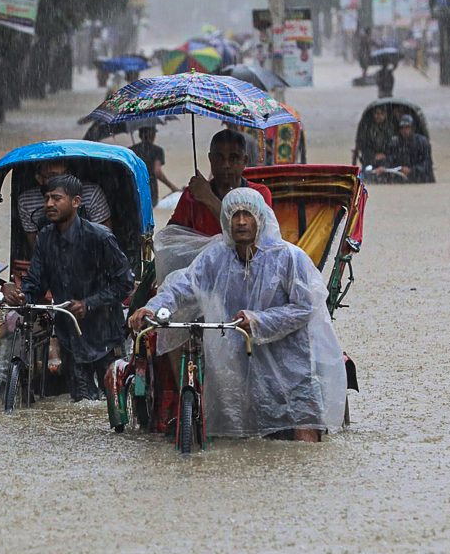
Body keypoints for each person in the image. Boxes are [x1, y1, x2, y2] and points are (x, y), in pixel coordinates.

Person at [129, 188, 346, 440]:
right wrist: (153, 307)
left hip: (289, 369)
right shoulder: (215, 257)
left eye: (247, 214)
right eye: (234, 215)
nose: (241, 221)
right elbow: (183, 285)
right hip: (238, 368)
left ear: (260, 218)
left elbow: (307, 306)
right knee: (234, 440)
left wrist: (259, 320)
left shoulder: (289, 257)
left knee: (304, 439)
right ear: (226, 221)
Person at [3, 175, 134, 401]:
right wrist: (21, 296)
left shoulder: (100, 238)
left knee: (113, 403)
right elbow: (36, 281)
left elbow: (125, 283)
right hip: (70, 338)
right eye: (46, 199)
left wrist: (89, 304)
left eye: (56, 198)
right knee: (81, 404)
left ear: (76, 202)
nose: (49, 204)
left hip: (104, 337)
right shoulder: (45, 238)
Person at [168, 129, 272, 236]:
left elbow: (255, 238)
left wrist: (209, 198)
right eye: (219, 158)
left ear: (244, 161)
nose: (225, 165)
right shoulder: (193, 195)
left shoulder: (258, 194)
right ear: (211, 159)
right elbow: (171, 238)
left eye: (233, 158)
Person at [16, 159, 111, 248]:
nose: (61, 182)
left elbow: (106, 240)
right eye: (53, 176)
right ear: (39, 179)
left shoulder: (91, 193)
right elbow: (35, 245)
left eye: (65, 174)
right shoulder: (26, 201)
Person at [377, 114, 434, 183]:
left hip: (420, 177)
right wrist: (384, 167)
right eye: (402, 128)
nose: (404, 130)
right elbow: (391, 158)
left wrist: (412, 170)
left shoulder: (422, 142)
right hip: (401, 175)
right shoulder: (395, 142)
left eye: (407, 127)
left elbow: (427, 163)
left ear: (412, 128)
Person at [129, 126, 179, 204]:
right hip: (150, 188)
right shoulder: (157, 150)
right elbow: (157, 171)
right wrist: (172, 187)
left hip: (133, 187)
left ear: (140, 135)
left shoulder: (130, 151)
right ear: (153, 135)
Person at [355, 105, 395, 170]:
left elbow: (393, 145)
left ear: (385, 115)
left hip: (386, 158)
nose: (379, 116)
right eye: (377, 113)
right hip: (370, 157)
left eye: (382, 114)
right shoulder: (367, 128)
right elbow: (364, 144)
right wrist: (373, 155)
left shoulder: (390, 128)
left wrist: (384, 155)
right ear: (374, 114)